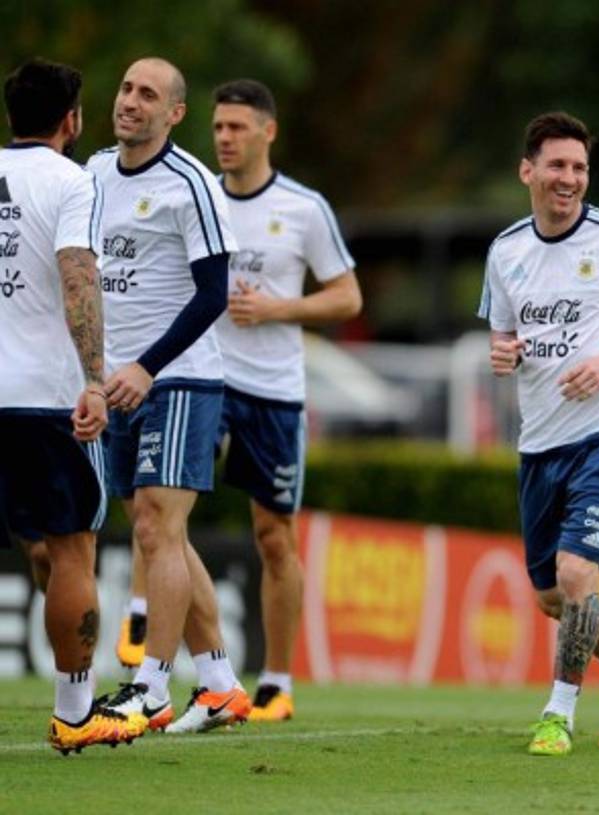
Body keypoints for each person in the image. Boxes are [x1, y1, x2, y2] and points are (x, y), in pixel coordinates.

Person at [113, 78, 362, 723]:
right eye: (218, 127)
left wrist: (277, 308)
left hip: (273, 390)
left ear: (267, 132)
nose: (224, 138)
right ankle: (145, 620)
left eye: (237, 128)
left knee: (273, 536)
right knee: (157, 507)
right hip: (204, 380)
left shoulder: (303, 208)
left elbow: (348, 297)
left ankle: (275, 679)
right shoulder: (192, 192)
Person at [478, 111, 599, 756]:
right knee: (551, 596)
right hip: (540, 443)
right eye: (558, 165)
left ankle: (557, 714)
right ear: (527, 171)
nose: (570, 178)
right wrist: (503, 353)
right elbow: (504, 335)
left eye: (580, 167)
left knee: (575, 573)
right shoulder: (506, 250)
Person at [88, 57, 251, 733]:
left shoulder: (192, 183)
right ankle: (218, 683)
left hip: (178, 378)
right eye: (126, 88)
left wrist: (148, 367)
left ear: (174, 113)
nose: (130, 101)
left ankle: (149, 686)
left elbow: (214, 294)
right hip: (116, 384)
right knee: (161, 536)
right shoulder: (94, 172)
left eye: (148, 94)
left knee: (158, 527)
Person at [0, 58, 147, 755]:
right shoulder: (72, 180)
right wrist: (94, 380)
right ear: (72, 119)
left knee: (43, 549)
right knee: (72, 549)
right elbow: (78, 275)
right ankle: (76, 712)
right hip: (46, 398)